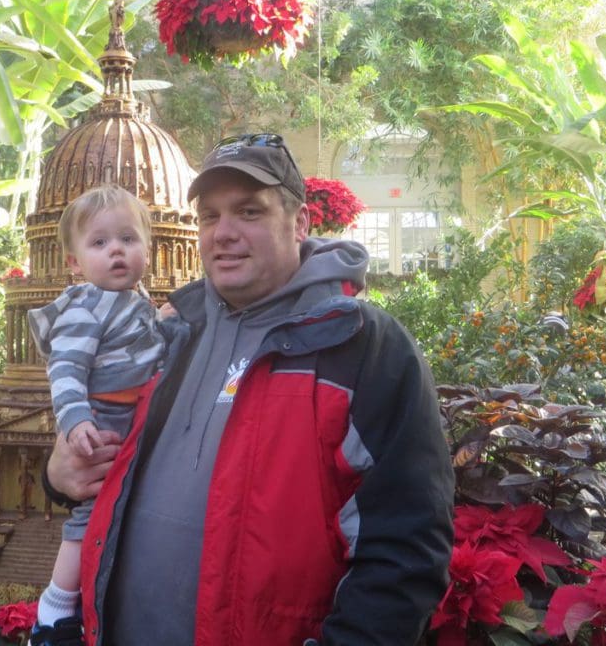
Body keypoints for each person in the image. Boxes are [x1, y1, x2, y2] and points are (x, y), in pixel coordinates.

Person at [41, 134, 455, 646]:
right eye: (210, 216)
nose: (224, 233)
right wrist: (58, 478)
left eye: (249, 212)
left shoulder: (363, 346)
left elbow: (405, 548)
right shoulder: (169, 332)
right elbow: (105, 439)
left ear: (300, 222)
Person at [27, 185, 166, 645]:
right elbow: (65, 370)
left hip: (136, 418)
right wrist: (75, 422)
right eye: (100, 243)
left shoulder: (138, 302)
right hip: (103, 421)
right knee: (90, 514)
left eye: (128, 239)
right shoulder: (85, 307)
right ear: (74, 263)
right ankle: (56, 604)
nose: (117, 251)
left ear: (149, 247)